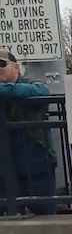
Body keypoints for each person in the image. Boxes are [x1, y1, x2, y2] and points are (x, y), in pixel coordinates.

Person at [0, 50, 57, 216]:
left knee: (45, 218)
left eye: (2, 64)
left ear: (16, 67)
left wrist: (4, 90)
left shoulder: (32, 83)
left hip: (36, 168)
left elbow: (41, 91)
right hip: (4, 173)